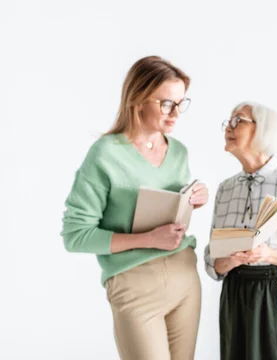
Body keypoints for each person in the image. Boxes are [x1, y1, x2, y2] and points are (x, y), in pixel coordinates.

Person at [61, 56, 208, 360]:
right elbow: (75, 236)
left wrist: (195, 198)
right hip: (134, 283)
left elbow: (171, 211)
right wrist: (149, 240)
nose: (176, 113)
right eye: (167, 103)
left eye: (181, 103)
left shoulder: (178, 151)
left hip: (184, 277)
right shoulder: (105, 154)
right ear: (139, 98)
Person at [204, 102, 277, 360]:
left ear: (264, 130)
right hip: (236, 293)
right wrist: (229, 260)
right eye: (228, 120)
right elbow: (211, 259)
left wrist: (266, 253)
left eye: (239, 120)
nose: (229, 126)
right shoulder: (226, 188)